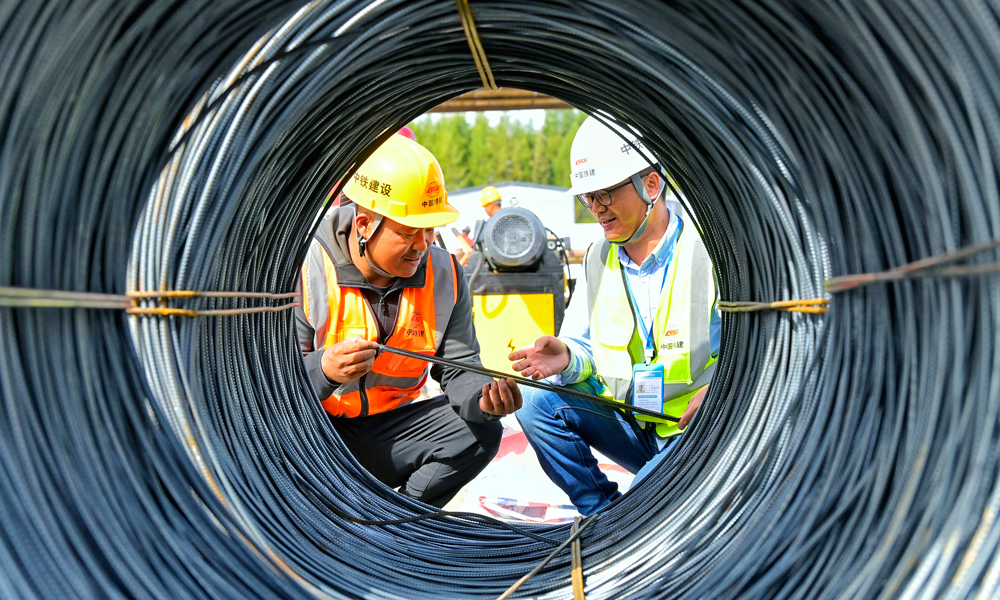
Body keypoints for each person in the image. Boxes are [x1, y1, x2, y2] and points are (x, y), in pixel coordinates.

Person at [296, 134, 522, 508]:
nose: (423, 244)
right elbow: (267, 390)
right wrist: (323, 370)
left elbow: (461, 368)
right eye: (408, 232)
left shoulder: (445, 274)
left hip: (386, 437)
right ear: (364, 224)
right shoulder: (306, 267)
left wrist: (484, 401)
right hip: (310, 440)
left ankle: (402, 528)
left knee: (478, 433)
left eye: (431, 229)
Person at [509, 117, 720, 515]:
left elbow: (762, 347)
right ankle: (602, 516)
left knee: (645, 504)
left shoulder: (709, 252)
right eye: (587, 198)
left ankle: (635, 511)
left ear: (651, 186)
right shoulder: (597, 258)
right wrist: (569, 356)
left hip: (698, 430)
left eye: (604, 195)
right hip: (632, 424)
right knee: (535, 402)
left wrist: (729, 390)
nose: (596, 210)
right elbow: (587, 346)